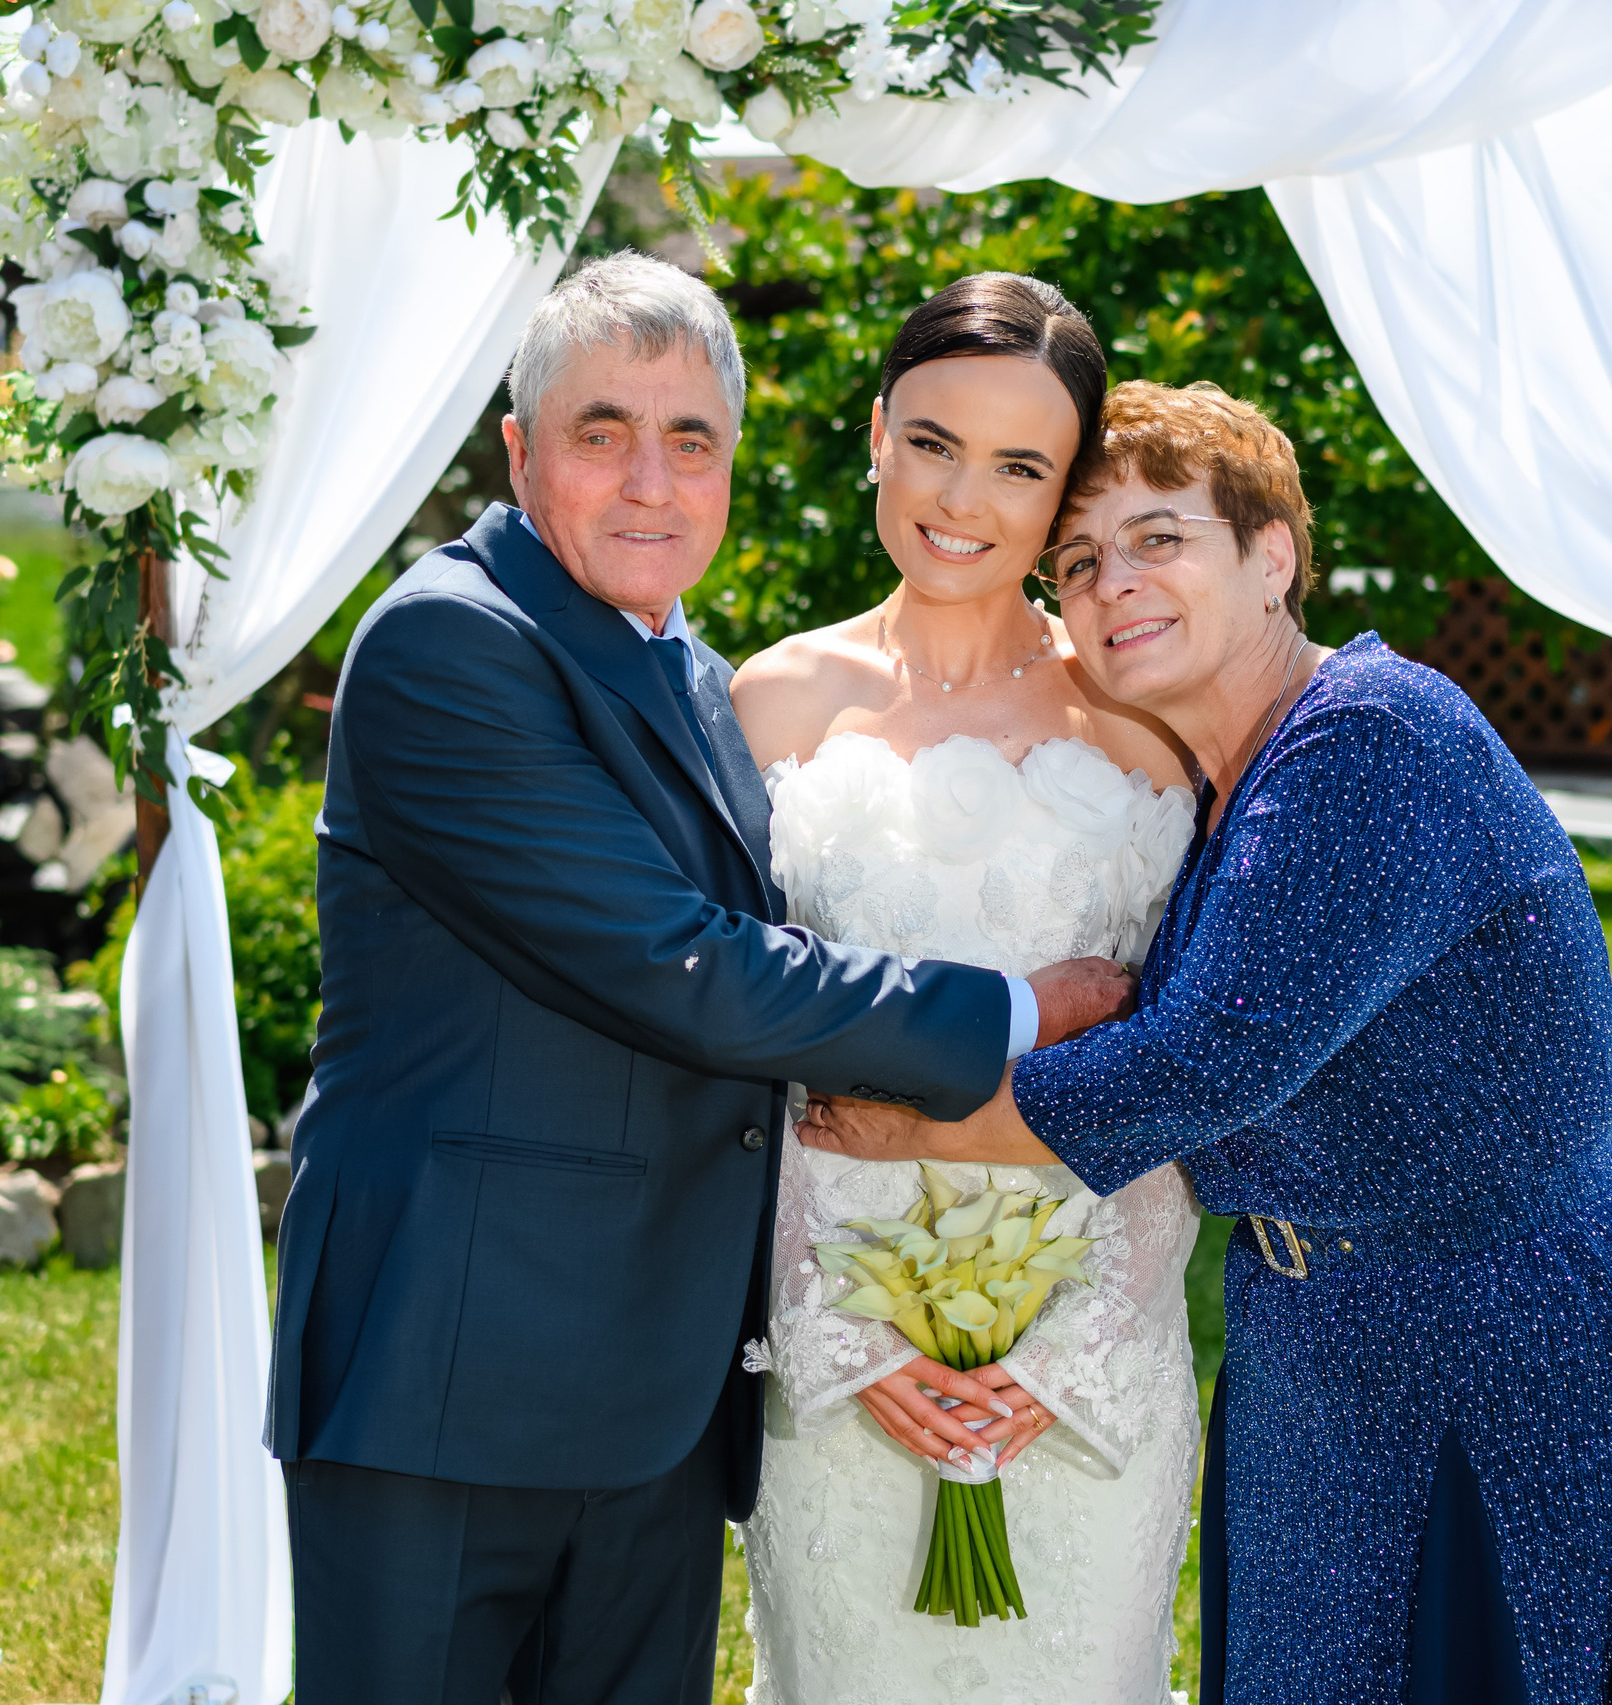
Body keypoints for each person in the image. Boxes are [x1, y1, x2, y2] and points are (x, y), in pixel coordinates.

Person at [267, 251, 1134, 1705]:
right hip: (453, 1375)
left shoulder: (694, 673)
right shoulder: (450, 644)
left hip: (660, 1397)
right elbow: (687, 970)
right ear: (519, 449)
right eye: (602, 432)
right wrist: (1018, 1009)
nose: (650, 481)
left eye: (692, 441)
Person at [803, 380, 1612, 1704]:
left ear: (1275, 555)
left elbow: (1198, 1067)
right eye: (1078, 561)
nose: (1112, 581)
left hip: (1509, 1338)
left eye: (1160, 537)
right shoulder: (1237, 773)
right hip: (1324, 1342)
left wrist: (913, 1122)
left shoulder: (1365, 740)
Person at [730, 275, 1204, 1703]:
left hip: (1088, 1383)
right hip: (833, 1371)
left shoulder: (1144, 724)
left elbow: (1182, 1056)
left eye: (1021, 466)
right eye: (933, 441)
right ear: (876, 433)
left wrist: (1062, 1355)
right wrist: (845, 1339)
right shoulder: (764, 705)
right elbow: (734, 1053)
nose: (963, 497)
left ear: (1064, 494)